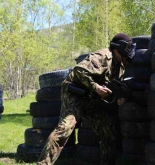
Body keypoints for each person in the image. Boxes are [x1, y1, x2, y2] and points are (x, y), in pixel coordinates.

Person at [37, 32, 136, 165]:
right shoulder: (102, 56)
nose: (128, 54)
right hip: (75, 94)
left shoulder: (120, 65)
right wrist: (96, 88)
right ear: (118, 48)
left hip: (91, 99)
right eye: (126, 49)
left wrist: (118, 98)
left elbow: (111, 84)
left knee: (108, 133)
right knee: (65, 128)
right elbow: (78, 71)